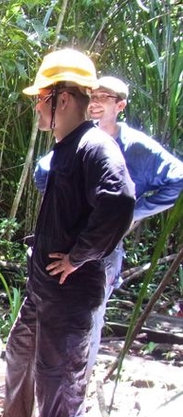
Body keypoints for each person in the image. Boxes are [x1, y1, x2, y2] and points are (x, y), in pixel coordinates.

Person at [0, 50, 135, 417]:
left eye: (41, 98)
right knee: (20, 353)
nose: (37, 106)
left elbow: (120, 200)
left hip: (70, 294)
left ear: (62, 99)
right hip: (43, 289)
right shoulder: (67, 147)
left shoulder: (95, 147)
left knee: (58, 381)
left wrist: (79, 255)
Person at [34, 76, 183, 291]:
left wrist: (134, 212)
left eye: (103, 97)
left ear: (120, 105)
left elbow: (178, 180)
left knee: (88, 303)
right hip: (70, 240)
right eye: (92, 96)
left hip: (102, 244)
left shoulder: (136, 146)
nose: (95, 102)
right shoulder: (80, 138)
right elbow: (43, 171)